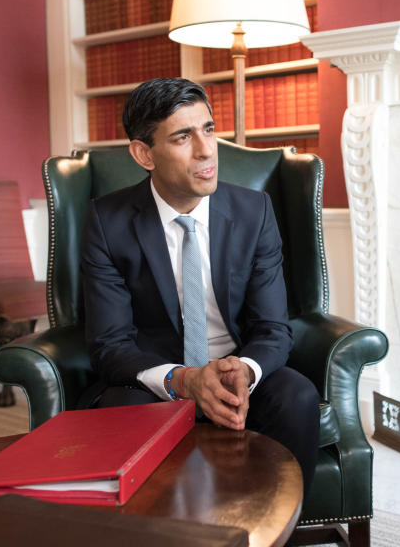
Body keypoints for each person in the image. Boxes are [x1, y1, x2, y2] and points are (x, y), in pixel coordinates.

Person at [79, 77, 319, 494]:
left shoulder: (253, 211)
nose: (207, 150)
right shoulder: (107, 222)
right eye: (182, 137)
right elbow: (110, 344)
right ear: (143, 153)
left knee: (296, 396)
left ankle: (280, 533)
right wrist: (184, 380)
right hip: (156, 379)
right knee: (120, 410)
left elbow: (272, 329)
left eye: (208, 129)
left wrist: (243, 370)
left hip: (234, 369)